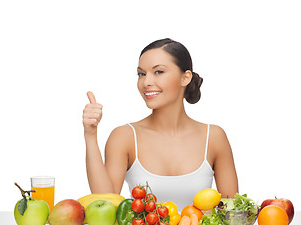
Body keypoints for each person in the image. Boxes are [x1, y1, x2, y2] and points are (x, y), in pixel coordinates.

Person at [82, 38, 238, 211]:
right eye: (141, 74)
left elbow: (233, 213)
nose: (146, 82)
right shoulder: (124, 137)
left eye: (158, 72)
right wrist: (90, 135)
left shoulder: (214, 137)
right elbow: (106, 206)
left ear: (185, 77)